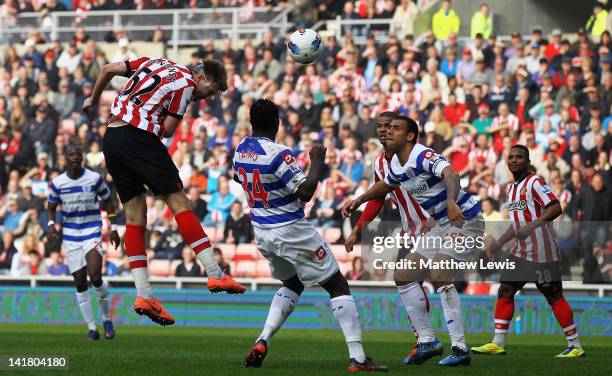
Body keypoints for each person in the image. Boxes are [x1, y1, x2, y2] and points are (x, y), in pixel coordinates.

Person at [83, 56, 245, 326]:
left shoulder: (154, 61)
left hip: (111, 138)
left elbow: (108, 69)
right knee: (180, 203)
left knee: (135, 217)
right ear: (202, 77)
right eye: (211, 90)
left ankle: (144, 294)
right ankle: (215, 272)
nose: (207, 97)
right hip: (139, 138)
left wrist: (92, 98)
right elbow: (168, 131)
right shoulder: (186, 85)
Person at [236, 99, 387, 372]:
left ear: (251, 122)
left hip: (262, 231)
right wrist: (316, 161)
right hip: (291, 229)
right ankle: (359, 358)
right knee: (337, 285)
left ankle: (262, 339)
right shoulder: (278, 153)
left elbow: (241, 179)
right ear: (277, 123)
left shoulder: (240, 150)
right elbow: (304, 192)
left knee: (293, 283)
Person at [343, 115, 484, 366]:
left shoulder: (421, 154)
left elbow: (451, 173)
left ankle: (460, 348)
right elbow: (385, 187)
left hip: (465, 219)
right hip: (441, 225)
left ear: (409, 136)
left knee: (440, 273)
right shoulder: (396, 163)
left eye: (395, 128)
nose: (388, 132)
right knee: (404, 274)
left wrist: (451, 201)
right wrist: (359, 200)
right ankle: (427, 340)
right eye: (385, 129)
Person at [472, 145, 585, 359]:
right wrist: (497, 243)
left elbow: (555, 207)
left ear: (527, 160)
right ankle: (498, 342)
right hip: (521, 251)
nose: (514, 160)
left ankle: (575, 344)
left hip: (543, 252)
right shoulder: (511, 188)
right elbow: (517, 224)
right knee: (505, 290)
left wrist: (532, 226)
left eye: (519, 157)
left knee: (553, 296)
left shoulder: (535, 182)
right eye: (511, 157)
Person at [46, 143, 120, 341]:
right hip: (70, 236)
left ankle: (106, 319)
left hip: (91, 232)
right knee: (80, 283)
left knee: (95, 277)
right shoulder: (58, 183)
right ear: (66, 159)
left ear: (83, 158)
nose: (75, 157)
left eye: (79, 154)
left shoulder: (95, 179)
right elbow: (51, 207)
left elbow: (108, 200)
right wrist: (51, 223)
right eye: (72, 155)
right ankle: (91, 328)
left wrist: (113, 228)